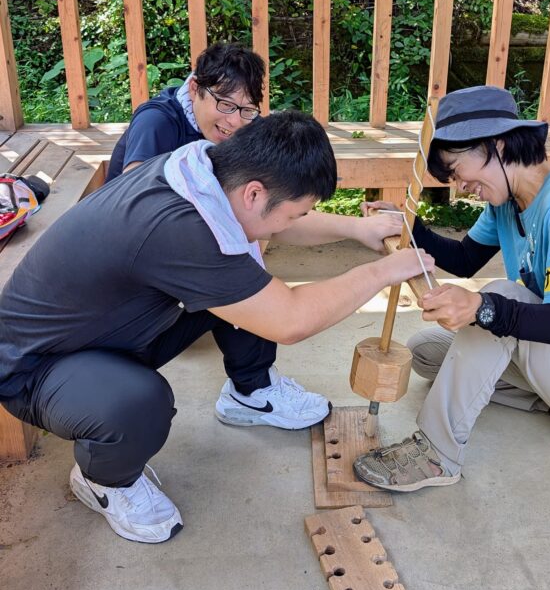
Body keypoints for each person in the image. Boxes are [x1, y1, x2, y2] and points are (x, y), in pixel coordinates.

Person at [0, 111, 434, 542]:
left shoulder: (202, 172)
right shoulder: (178, 228)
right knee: (138, 406)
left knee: (247, 278)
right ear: (254, 193)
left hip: (108, 329)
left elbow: (275, 226)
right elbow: (291, 319)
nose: (292, 222)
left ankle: (250, 393)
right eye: (294, 212)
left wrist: (359, 230)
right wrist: (380, 273)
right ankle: (105, 480)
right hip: (36, 367)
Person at [354, 85, 550, 492]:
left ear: (495, 144)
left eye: (456, 169)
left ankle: (436, 455)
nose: (458, 185)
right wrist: (409, 226)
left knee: (501, 301)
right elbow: (463, 259)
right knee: (427, 353)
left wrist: (482, 308)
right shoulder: (508, 201)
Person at [105, 42, 403, 431]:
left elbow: (271, 216)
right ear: (195, 89)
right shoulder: (158, 121)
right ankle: (252, 389)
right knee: (240, 268)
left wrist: (358, 229)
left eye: (246, 110)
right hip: (136, 277)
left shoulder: (231, 138)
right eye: (225, 104)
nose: (233, 121)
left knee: (243, 256)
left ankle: (252, 387)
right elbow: (137, 197)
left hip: (174, 267)